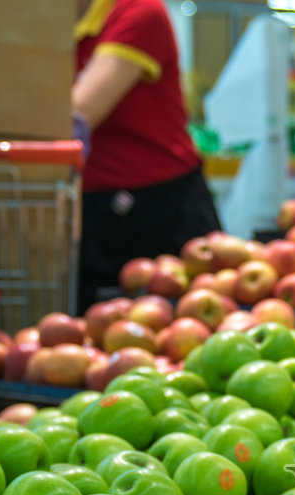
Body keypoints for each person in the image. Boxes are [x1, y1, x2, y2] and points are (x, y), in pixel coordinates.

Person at [74, 0, 221, 308]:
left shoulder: (137, 11)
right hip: (93, 208)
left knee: (178, 318)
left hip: (159, 207)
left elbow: (79, 116)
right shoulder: (56, 27)